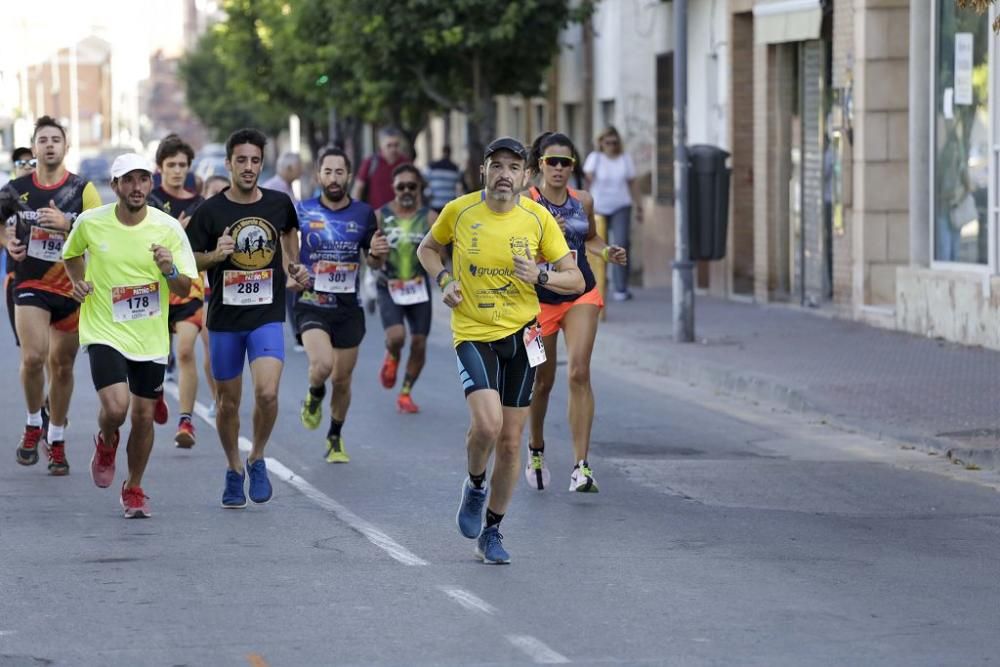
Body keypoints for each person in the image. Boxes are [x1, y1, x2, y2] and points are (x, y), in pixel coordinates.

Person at [416, 137, 584, 564]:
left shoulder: (538, 219)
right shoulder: (460, 211)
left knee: (511, 443)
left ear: (526, 176)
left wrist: (541, 275)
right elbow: (428, 249)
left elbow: (576, 280)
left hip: (522, 336)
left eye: (513, 167)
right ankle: (475, 484)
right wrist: (444, 281)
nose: (504, 174)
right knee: (487, 426)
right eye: (497, 166)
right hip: (473, 331)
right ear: (484, 172)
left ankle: (492, 530)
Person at [63, 153, 198, 517]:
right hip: (104, 327)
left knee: (142, 417)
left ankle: (134, 487)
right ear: (115, 186)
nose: (136, 187)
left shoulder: (168, 228)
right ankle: (107, 442)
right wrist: (79, 282)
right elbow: (71, 253)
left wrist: (169, 270)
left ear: (150, 185)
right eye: (128, 180)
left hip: (150, 335)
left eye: (142, 180)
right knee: (117, 407)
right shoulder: (92, 222)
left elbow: (186, 288)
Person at [186, 128, 309, 508]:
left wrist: (293, 266)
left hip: (266, 315)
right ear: (229, 163)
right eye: (241, 160)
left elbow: (290, 233)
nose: (249, 167)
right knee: (227, 404)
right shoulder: (210, 211)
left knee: (268, 393)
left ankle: (257, 457)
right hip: (224, 319)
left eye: (255, 160)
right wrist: (215, 256)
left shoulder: (278, 202)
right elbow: (190, 261)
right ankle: (233, 466)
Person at [524, 132, 627, 493]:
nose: (558, 168)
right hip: (537, 302)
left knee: (579, 372)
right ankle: (536, 448)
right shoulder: (526, 202)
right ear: (540, 164)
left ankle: (581, 466)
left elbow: (591, 239)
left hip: (580, 291)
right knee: (542, 381)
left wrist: (606, 251)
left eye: (565, 162)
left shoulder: (583, 200)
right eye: (552, 161)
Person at [0, 116, 102, 475]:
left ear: (66, 146)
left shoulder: (83, 189)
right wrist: (6, 240)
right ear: (34, 145)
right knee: (33, 358)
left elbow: (104, 234)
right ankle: (32, 423)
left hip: (71, 286)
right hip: (31, 283)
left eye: (55, 139)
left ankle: (56, 439)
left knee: (61, 366)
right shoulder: (15, 188)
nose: (49, 145)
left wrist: (69, 225)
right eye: (42, 139)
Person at [297, 147, 389, 462]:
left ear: (348, 176)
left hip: (348, 307)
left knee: (342, 378)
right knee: (322, 365)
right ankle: (314, 393)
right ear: (318, 175)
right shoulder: (303, 211)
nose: (334, 179)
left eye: (339, 172)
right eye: (328, 172)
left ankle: (335, 437)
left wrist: (379, 252)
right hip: (311, 302)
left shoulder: (364, 214)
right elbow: (286, 251)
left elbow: (374, 263)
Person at [148, 134, 207, 446]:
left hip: (188, 287)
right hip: (153, 289)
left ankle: (186, 422)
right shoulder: (148, 202)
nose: (177, 170)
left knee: (184, 350)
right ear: (160, 167)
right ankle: (156, 391)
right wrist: (175, 234)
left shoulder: (200, 204)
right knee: (156, 357)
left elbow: (206, 248)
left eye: (182, 165)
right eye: (171, 164)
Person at [375, 164, 437, 414]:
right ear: (394, 188)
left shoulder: (431, 218)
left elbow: (439, 254)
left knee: (420, 343)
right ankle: (392, 354)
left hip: (419, 288)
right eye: (401, 187)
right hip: (388, 285)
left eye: (412, 186)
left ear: (419, 188)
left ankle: (405, 393)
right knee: (397, 337)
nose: (407, 191)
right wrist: (373, 256)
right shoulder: (381, 216)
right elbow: (370, 256)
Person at [583, 126, 643, 301]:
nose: (611, 146)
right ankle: (596, 284)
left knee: (621, 244)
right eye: (607, 142)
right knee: (598, 245)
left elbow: (633, 183)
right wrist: (580, 206)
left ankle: (620, 287)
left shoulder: (625, 159)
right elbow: (586, 183)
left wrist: (639, 206)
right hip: (598, 207)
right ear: (601, 143)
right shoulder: (595, 159)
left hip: (621, 206)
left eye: (614, 142)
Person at [262, 152, 305, 351]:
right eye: (299, 167)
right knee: (289, 291)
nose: (301, 170)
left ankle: (299, 332)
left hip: (287, 250)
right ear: (289, 168)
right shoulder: (276, 189)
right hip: (278, 251)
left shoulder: (285, 187)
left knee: (290, 292)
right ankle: (297, 334)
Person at [5, 147, 37, 346]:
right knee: (30, 351)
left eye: (31, 163)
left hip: (54, 278)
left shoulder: (50, 194)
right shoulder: (8, 193)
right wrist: (6, 240)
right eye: (20, 163)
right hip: (17, 276)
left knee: (55, 354)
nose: (26, 167)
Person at [424, 145, 463, 213]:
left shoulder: (432, 167)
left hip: (435, 203)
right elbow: (461, 185)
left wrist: (428, 192)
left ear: (442, 152)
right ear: (450, 153)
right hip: (449, 204)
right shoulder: (455, 169)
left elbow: (423, 179)